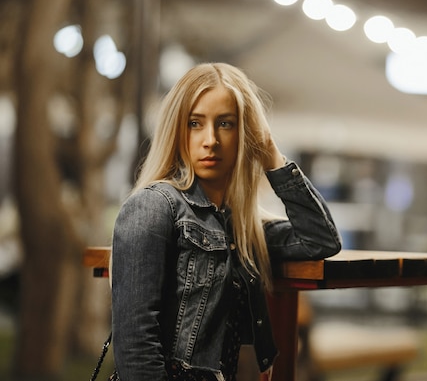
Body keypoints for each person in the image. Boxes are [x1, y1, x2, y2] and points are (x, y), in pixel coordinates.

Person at [110, 62, 342, 381]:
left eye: (226, 124)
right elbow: (135, 346)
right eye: (195, 123)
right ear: (178, 129)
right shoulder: (153, 206)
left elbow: (321, 240)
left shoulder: (241, 227)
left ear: (245, 133)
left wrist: (272, 154)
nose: (210, 140)